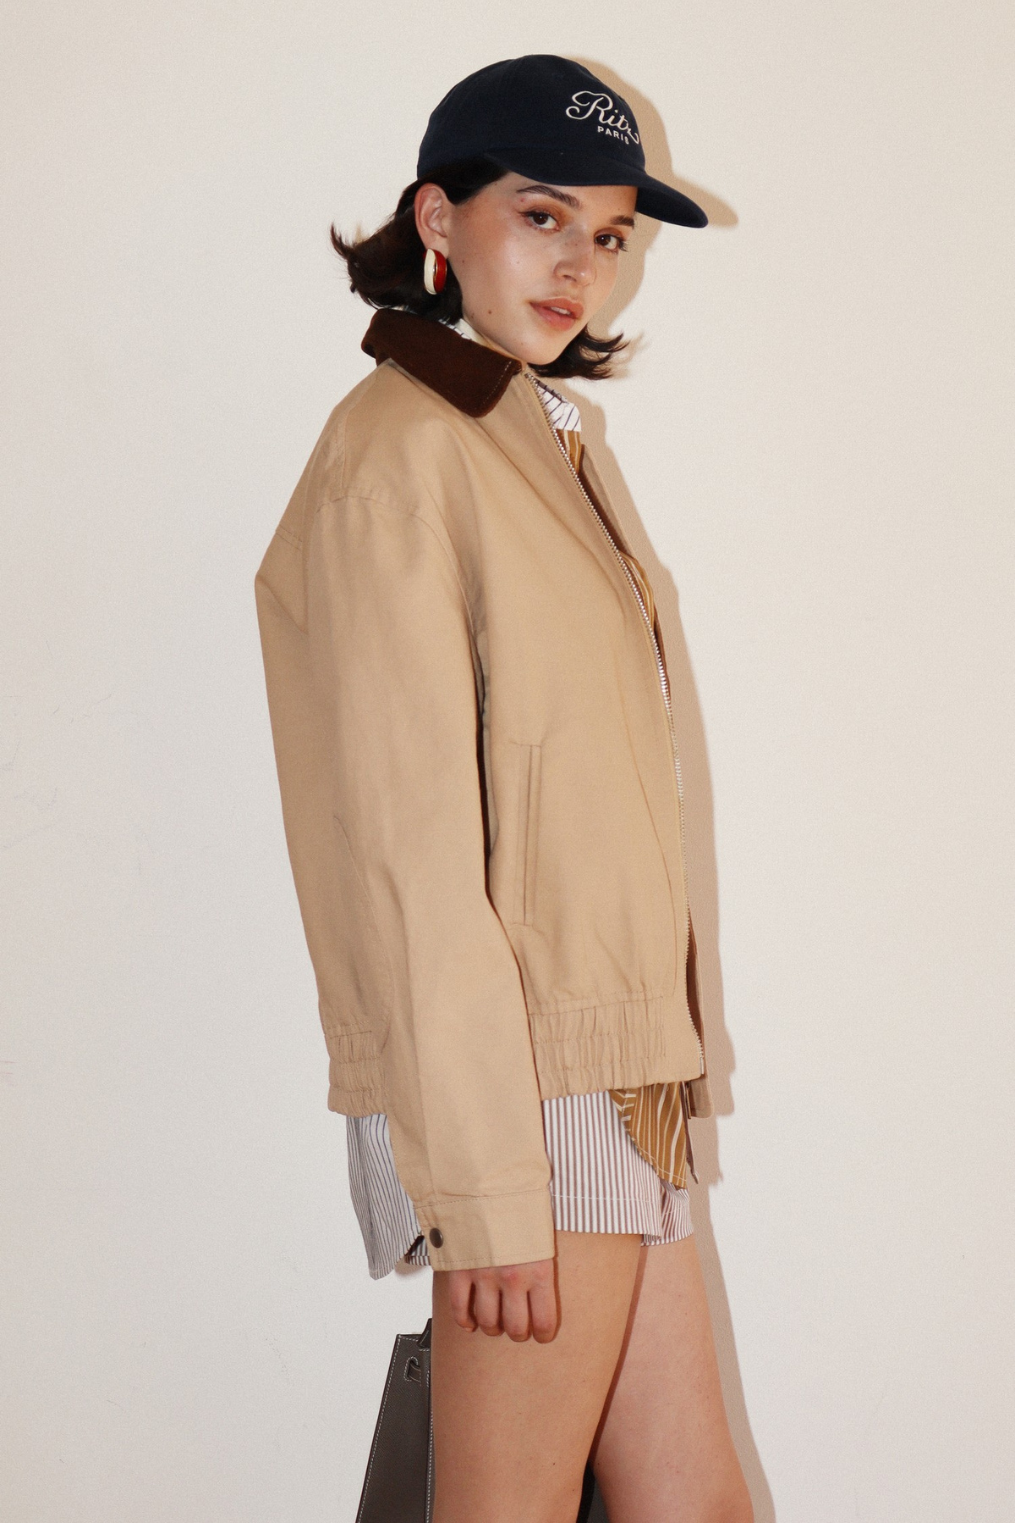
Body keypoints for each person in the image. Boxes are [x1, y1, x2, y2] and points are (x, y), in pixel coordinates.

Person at [255, 52, 752, 1523]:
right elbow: (404, 855)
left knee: (699, 1507)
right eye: (541, 216)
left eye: (608, 234)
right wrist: (482, 1185)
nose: (580, 265)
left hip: (619, 1065)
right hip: (524, 1088)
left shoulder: (535, 442)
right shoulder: (400, 456)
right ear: (439, 218)